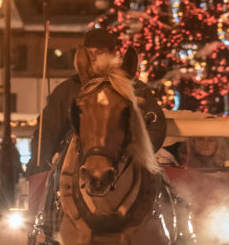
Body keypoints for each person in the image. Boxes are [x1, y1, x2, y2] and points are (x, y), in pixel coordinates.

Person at [25, 27, 166, 178]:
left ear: (112, 53)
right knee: (39, 184)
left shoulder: (136, 88)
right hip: (73, 161)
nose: (93, 58)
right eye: (89, 53)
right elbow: (48, 129)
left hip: (124, 162)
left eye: (99, 52)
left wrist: (135, 153)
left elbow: (155, 126)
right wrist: (41, 162)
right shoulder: (67, 90)